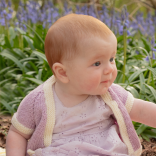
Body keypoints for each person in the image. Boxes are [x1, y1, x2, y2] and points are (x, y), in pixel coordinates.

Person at [6, 13, 156, 156]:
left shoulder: (111, 94)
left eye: (111, 59)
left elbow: (141, 111)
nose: (110, 68)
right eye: (97, 63)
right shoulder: (38, 101)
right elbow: (17, 133)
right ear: (63, 73)